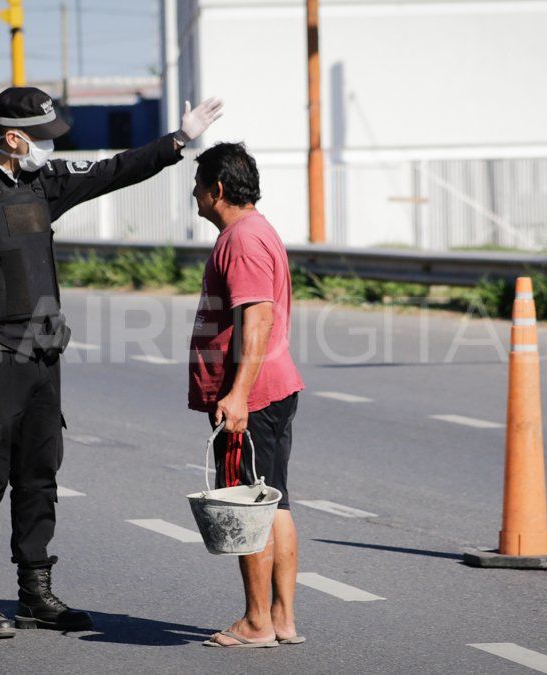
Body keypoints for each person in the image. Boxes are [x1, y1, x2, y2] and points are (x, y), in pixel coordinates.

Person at [0, 86, 223, 639]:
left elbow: (112, 171)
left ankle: (34, 590)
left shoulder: (43, 182)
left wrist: (179, 140)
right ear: (12, 137)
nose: (50, 150)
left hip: (41, 360)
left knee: (39, 476)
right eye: (41, 140)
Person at [186, 142, 305, 648]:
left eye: (197, 186)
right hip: (273, 389)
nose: (193, 194)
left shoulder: (241, 238)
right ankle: (281, 619)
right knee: (273, 501)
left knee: (246, 507)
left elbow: (256, 317)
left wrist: (236, 394)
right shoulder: (258, 231)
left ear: (216, 189)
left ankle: (257, 622)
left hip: (251, 400)